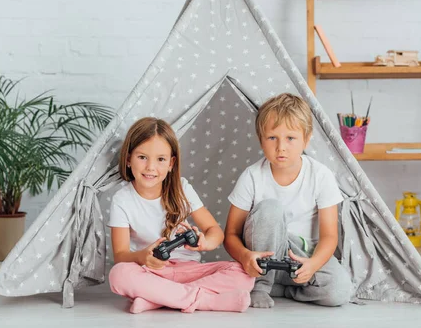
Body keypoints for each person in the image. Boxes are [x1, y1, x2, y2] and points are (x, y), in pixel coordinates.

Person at [108, 117, 254, 313]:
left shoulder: (182, 189)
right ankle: (204, 301)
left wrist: (205, 242)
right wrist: (143, 257)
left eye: (160, 159)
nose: (151, 167)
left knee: (243, 274)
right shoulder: (122, 199)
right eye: (142, 157)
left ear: (171, 163)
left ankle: (156, 300)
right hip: (152, 272)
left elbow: (215, 231)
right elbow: (120, 255)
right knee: (119, 274)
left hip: (189, 270)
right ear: (128, 159)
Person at [224, 93, 352, 308]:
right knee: (270, 208)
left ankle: (284, 289)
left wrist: (313, 264)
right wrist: (246, 256)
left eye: (290, 138)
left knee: (339, 291)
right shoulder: (252, 176)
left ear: (307, 138)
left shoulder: (320, 175)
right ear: (260, 139)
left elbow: (330, 236)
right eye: (272, 138)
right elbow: (230, 235)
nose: (281, 147)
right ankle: (261, 286)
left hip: (302, 257)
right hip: (264, 254)